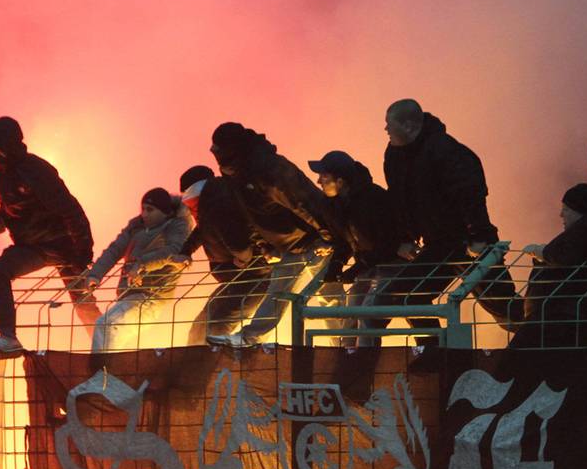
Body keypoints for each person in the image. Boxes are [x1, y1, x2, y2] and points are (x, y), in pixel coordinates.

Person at [380, 98, 515, 340]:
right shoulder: (394, 156)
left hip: (469, 242)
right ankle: (436, 352)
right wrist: (404, 237)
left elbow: (470, 194)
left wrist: (478, 236)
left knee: (503, 306)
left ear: (409, 126)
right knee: (406, 294)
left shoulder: (446, 150)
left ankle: (544, 342)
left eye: (390, 124)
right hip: (439, 244)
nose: (386, 130)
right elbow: (398, 199)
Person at [205, 122, 343, 348]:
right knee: (296, 293)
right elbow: (250, 213)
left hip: (313, 240)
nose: (216, 156)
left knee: (319, 295)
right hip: (291, 244)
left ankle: (345, 347)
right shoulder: (238, 173)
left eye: (217, 150)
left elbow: (304, 202)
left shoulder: (268, 168)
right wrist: (264, 245)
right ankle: (344, 346)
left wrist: (328, 235)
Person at [0, 116, 97, 360]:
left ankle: (105, 345)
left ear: (2, 144)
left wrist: (83, 251)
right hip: (32, 247)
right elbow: (9, 210)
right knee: (0, 270)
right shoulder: (2, 177)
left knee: (82, 302)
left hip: (60, 245)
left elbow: (70, 208)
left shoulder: (35, 171)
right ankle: (8, 337)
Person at [307, 149, 408, 347]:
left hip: (391, 264)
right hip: (369, 265)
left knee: (368, 314)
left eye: (324, 177)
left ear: (341, 182)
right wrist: (337, 264)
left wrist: (357, 266)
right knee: (352, 311)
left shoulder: (374, 199)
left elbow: (388, 243)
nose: (319, 182)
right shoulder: (335, 204)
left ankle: (362, 362)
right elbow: (343, 241)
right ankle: (349, 357)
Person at [79, 187, 190, 353]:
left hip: (151, 296)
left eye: (150, 210)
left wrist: (142, 264)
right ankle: (109, 375)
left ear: (164, 212)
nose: (144, 214)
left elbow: (174, 251)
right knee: (112, 337)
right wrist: (95, 274)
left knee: (106, 325)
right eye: (143, 208)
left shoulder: (176, 226)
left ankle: (99, 376)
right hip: (128, 295)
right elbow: (115, 250)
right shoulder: (136, 226)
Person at [176, 165, 272, 346]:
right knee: (203, 325)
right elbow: (203, 230)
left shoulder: (217, 206)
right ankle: (196, 364)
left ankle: (208, 369)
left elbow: (237, 239)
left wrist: (244, 257)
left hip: (252, 277)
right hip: (237, 277)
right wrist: (185, 251)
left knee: (216, 328)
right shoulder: (212, 204)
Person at [510, 183, 587, 349]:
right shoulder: (586, 235)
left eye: (566, 210)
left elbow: (564, 256)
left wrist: (542, 252)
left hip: (555, 317)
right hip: (556, 316)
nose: (560, 215)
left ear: (580, 212)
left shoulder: (580, 234)